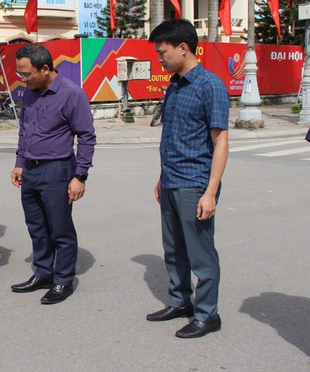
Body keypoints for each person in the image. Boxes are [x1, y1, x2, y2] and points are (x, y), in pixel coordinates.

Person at [146, 19, 229, 339]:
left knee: (200, 254)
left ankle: (208, 314)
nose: (159, 58)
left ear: (183, 48)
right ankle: (180, 301)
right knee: (174, 248)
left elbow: (221, 142)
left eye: (162, 52)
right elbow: (175, 137)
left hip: (194, 183)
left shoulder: (211, 85)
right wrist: (161, 177)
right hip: (170, 180)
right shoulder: (175, 84)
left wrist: (210, 192)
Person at [10, 44, 96, 305]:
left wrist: (80, 176)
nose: (22, 79)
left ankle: (63, 280)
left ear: (45, 69)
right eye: (20, 74)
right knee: (36, 226)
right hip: (31, 170)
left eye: (26, 74)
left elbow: (87, 137)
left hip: (58, 169)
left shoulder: (71, 94)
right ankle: (44, 272)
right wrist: (19, 162)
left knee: (59, 228)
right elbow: (25, 130)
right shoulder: (30, 93)